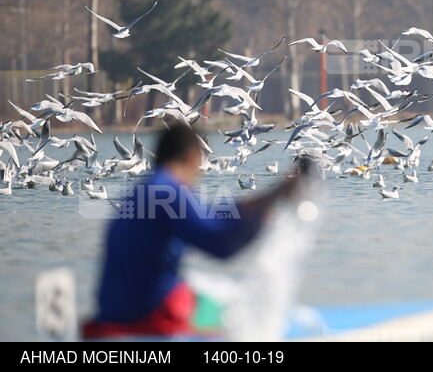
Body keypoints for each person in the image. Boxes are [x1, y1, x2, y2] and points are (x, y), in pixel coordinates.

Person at [83, 122, 298, 339]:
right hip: (146, 320)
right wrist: (270, 206)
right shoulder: (167, 191)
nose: (200, 172)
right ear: (192, 156)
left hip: (112, 315)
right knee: (238, 311)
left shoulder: (145, 189)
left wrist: (272, 196)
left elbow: (216, 216)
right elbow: (220, 244)